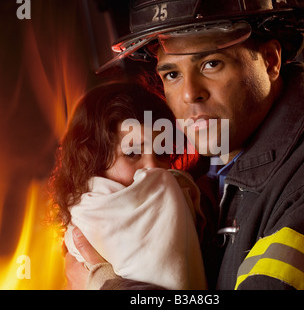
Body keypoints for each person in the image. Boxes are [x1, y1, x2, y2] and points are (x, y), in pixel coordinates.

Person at [66, 0, 304, 290]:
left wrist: (104, 284)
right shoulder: (204, 181)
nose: (190, 94)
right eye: (173, 74)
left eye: (211, 64)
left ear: (270, 61)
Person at [50, 81, 207, 290]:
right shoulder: (86, 212)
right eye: (132, 154)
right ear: (93, 162)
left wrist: (101, 281)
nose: (153, 168)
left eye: (161, 154)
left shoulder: (187, 196)